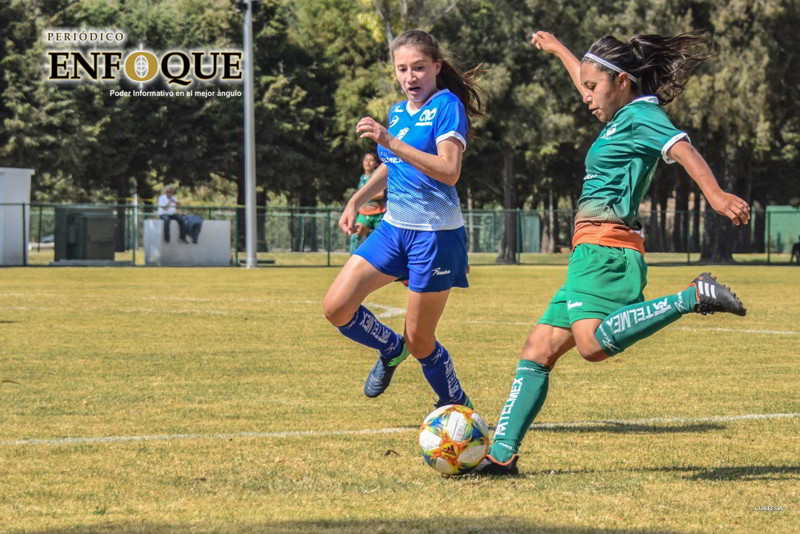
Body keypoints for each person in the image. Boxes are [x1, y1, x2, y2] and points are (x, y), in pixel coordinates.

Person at [475, 31, 751, 475]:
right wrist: (563, 52)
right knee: (538, 349)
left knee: (590, 345)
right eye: (584, 86)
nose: (585, 96)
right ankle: (502, 456)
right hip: (589, 252)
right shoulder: (620, 117)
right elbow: (590, 82)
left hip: (608, 249)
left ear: (622, 81)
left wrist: (715, 195)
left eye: (592, 87)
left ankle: (692, 297)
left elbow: (682, 149)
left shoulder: (642, 117)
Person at [323, 29, 483, 408]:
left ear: (436, 67)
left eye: (419, 68)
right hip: (394, 231)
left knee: (422, 341)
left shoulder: (447, 106)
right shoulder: (397, 112)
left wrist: (388, 140)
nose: (410, 77)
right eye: (402, 69)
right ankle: (390, 349)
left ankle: (456, 406)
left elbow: (449, 170)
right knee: (336, 307)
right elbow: (392, 167)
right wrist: (356, 199)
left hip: (435, 237)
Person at [348, 152, 387, 254]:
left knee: (380, 241)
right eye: (366, 160)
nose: (368, 162)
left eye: (371, 160)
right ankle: (353, 263)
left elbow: (381, 194)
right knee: (355, 236)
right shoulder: (362, 178)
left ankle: (380, 265)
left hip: (378, 214)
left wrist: (363, 196)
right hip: (364, 214)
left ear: (376, 164)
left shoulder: (378, 176)